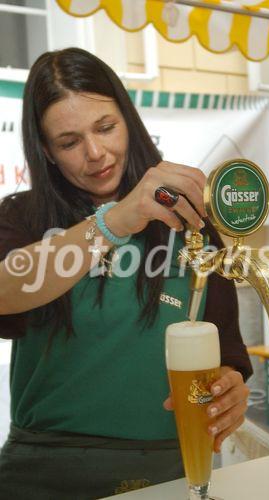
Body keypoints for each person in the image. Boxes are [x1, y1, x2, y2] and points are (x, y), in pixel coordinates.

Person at [0, 48, 252, 499]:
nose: (96, 153)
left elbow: (226, 351)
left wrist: (231, 389)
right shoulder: (22, 216)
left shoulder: (190, 218)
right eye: (69, 142)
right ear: (46, 152)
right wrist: (116, 220)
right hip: (45, 470)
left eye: (105, 127)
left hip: (173, 466)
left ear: (129, 120)